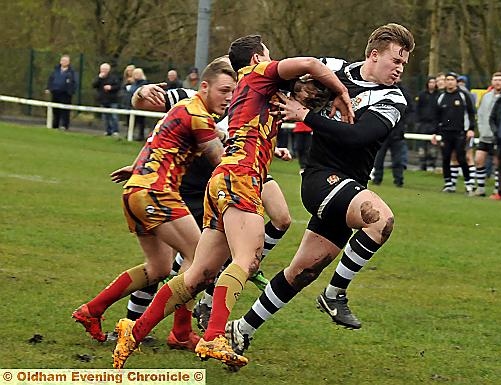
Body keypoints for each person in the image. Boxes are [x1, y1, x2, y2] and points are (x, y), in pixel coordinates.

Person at [110, 34, 354, 369]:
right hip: (240, 177)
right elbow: (312, 64)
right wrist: (342, 93)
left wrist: (307, 103)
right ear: (256, 58)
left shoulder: (254, 88)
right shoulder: (257, 74)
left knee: (198, 274)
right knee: (247, 259)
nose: (273, 60)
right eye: (268, 55)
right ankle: (213, 336)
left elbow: (296, 94)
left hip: (227, 177)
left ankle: (133, 331)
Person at [224, 23, 414, 365]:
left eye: (404, 63)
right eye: (396, 60)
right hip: (321, 179)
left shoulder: (393, 99)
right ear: (374, 55)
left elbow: (359, 137)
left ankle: (242, 328)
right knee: (380, 220)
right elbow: (268, 78)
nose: (400, 68)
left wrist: (306, 115)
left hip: (348, 187)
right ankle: (334, 293)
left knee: (302, 272)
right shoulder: (333, 69)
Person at [72, 60, 236, 351]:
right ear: (204, 87)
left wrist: (136, 167)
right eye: (224, 90)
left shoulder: (183, 109)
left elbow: (155, 139)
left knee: (159, 266)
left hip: (136, 190)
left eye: (232, 92)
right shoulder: (198, 115)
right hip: (157, 193)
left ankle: (92, 310)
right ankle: (181, 333)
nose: (228, 97)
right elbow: (219, 160)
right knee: (200, 257)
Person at [431, 72, 476, 194]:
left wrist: (471, 129)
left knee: (462, 157)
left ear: (456, 81)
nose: (450, 82)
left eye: (452, 79)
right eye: (448, 79)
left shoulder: (463, 95)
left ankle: (468, 183)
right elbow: (436, 116)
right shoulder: (441, 97)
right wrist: (434, 133)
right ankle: (448, 184)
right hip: (445, 132)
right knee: (445, 158)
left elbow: (471, 113)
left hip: (460, 132)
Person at [372, 81, 413, 187]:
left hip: (398, 132)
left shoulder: (404, 92)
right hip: (383, 131)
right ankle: (377, 178)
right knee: (379, 157)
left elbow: (410, 110)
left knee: (398, 159)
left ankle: (399, 181)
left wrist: (404, 123)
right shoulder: (380, 89)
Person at [473, 72, 501, 196]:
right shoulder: (486, 96)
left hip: (499, 136)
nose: (497, 82)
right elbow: (480, 115)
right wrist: (481, 130)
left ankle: (497, 189)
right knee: (478, 159)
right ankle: (480, 188)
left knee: (498, 162)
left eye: (500, 80)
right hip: (485, 135)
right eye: (495, 80)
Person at [45, 54, 78, 130]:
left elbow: (74, 83)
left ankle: (64, 125)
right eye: (62, 60)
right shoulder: (55, 70)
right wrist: (49, 88)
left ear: (69, 62)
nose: (64, 62)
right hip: (55, 93)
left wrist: (71, 91)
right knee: (55, 111)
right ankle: (55, 125)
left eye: (66, 61)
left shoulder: (72, 72)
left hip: (66, 94)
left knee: (65, 111)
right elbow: (50, 80)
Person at [416, 76, 439, 171]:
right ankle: (422, 165)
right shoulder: (422, 95)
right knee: (422, 146)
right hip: (423, 123)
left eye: (434, 82)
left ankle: (432, 164)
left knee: (433, 147)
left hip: (434, 124)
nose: (432, 84)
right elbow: (417, 109)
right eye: (430, 82)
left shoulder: (439, 95)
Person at [92, 63, 121, 136]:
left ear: (108, 70)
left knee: (114, 116)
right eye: (102, 69)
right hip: (103, 100)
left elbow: (118, 86)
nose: (103, 71)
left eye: (105, 69)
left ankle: (115, 131)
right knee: (105, 116)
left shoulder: (113, 77)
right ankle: (108, 131)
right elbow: (94, 85)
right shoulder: (98, 78)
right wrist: (99, 78)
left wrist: (111, 87)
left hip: (112, 99)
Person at [127, 68, 148, 140]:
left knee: (141, 121)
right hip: (132, 104)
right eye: (135, 74)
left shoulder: (144, 83)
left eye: (138, 74)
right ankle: (131, 135)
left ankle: (141, 136)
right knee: (132, 121)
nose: (136, 75)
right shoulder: (133, 83)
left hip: (141, 105)